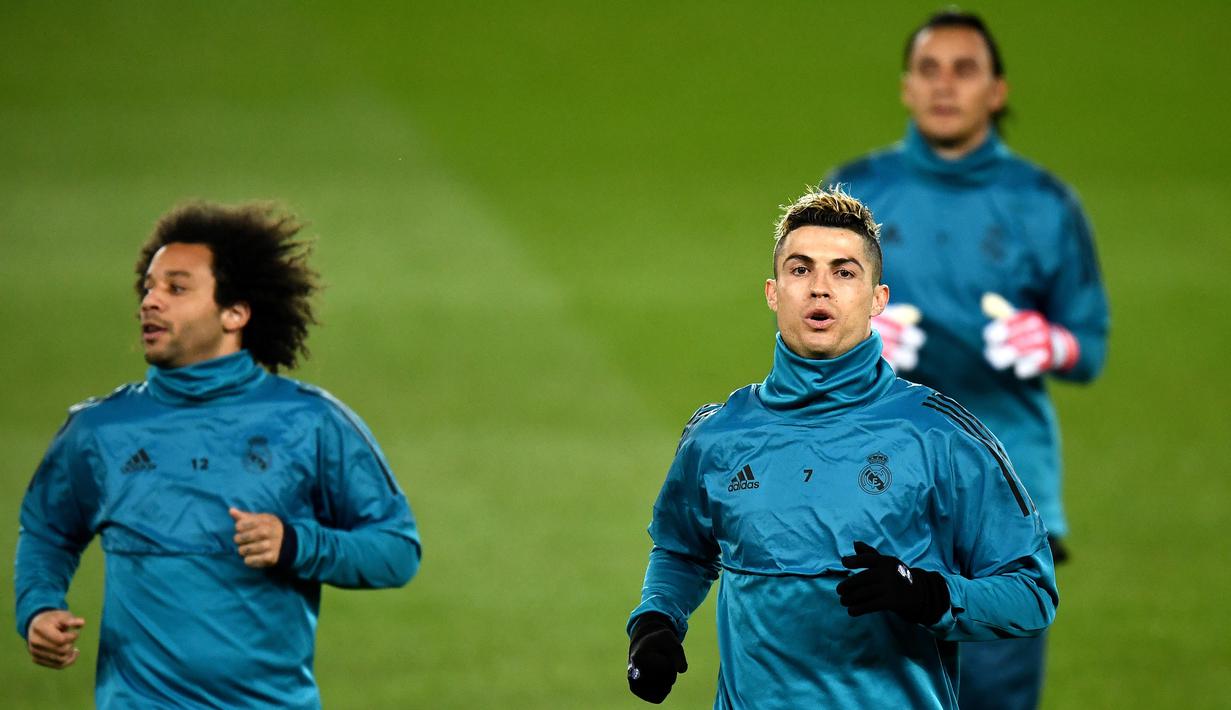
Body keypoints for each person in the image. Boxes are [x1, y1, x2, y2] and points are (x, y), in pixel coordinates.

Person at [624, 186, 1057, 709]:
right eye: (800, 270)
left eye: (844, 272)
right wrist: (655, 620)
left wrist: (930, 594)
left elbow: (1031, 592)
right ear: (772, 291)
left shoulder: (940, 437)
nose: (820, 289)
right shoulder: (718, 436)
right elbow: (681, 548)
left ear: (878, 298)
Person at [14, 202, 422, 709]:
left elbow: (396, 550)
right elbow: (48, 531)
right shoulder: (99, 431)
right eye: (148, 286)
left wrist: (296, 543)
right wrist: (38, 608)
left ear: (235, 313)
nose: (149, 302)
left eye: (176, 288)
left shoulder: (309, 423)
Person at [824, 10, 1110, 709]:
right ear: (905, 88)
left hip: (1004, 488)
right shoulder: (854, 194)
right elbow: (803, 324)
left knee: (993, 697)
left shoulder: (1042, 204)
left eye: (963, 69)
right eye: (928, 69)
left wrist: (1050, 342)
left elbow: (1088, 341)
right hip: (877, 487)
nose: (944, 85)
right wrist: (852, 344)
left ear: (997, 90)